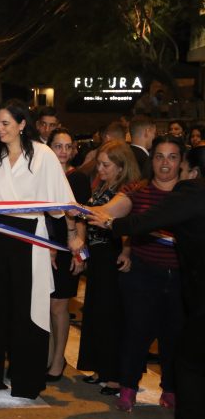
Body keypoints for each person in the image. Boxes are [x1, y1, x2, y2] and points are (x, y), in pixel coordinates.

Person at [0, 99, 81, 400]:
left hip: (28, 235)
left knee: (27, 307)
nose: (0, 129)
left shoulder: (43, 155)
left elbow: (62, 201)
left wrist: (73, 233)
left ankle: (25, 379)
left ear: (22, 124)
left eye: (6, 123)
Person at [87, 158, 205, 419]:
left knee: (191, 376)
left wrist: (111, 224)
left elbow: (148, 220)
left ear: (192, 172)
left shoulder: (193, 192)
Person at [86, 135, 185, 412]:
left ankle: (171, 389)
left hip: (180, 277)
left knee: (174, 336)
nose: (165, 163)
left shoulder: (188, 194)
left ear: (181, 161)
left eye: (172, 157)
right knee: (136, 332)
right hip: (143, 273)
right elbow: (111, 210)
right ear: (152, 160)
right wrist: (90, 212)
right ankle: (128, 388)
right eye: (159, 156)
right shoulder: (137, 190)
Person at [77, 140, 140, 396]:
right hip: (98, 256)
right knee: (96, 313)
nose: (101, 169)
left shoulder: (125, 192)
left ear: (121, 167)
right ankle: (101, 368)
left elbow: (101, 214)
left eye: (106, 165)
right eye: (100, 164)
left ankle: (114, 375)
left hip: (112, 257)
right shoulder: (104, 185)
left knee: (111, 315)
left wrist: (74, 208)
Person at [45, 128, 90, 382]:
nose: (63, 151)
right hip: (43, 245)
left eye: (67, 146)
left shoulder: (78, 179)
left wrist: (80, 255)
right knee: (45, 305)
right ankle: (48, 355)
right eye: (58, 146)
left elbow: (81, 220)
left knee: (59, 306)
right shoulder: (41, 175)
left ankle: (58, 359)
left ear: (73, 150)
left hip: (68, 248)